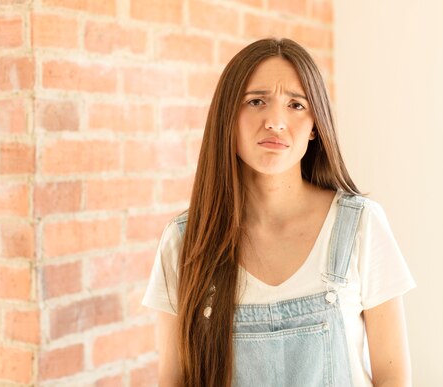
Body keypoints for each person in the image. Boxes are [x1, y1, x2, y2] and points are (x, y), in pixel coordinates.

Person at [142, 38, 416, 387]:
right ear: (228, 117)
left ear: (315, 124)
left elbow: (394, 378)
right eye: (256, 101)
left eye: (296, 105)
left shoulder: (360, 225)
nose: (275, 121)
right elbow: (174, 379)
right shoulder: (185, 242)